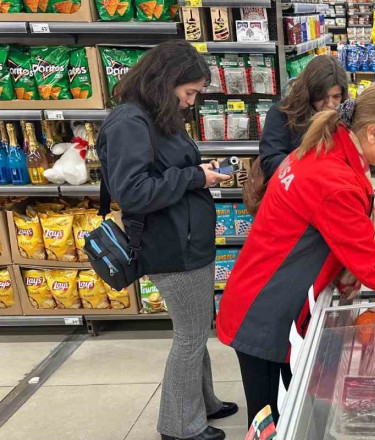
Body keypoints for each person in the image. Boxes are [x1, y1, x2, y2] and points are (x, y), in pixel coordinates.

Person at [216, 82, 375, 425]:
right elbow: (371, 269)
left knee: (285, 411)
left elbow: (356, 241)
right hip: (267, 315)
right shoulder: (332, 180)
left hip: (266, 296)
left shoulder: (326, 152)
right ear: (373, 132)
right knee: (271, 422)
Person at [98, 40, 237, 440]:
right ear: (165, 80)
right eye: (188, 92)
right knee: (190, 336)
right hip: (169, 246)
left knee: (196, 328)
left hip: (186, 239)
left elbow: (165, 169)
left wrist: (200, 168)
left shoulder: (154, 115)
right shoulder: (129, 122)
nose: (191, 102)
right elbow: (134, 191)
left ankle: (203, 402)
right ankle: (179, 426)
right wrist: (197, 177)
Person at [258, 55, 348, 178]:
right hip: (293, 190)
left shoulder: (344, 114)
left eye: (336, 97)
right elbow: (270, 162)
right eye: (322, 97)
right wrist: (313, 168)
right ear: (310, 92)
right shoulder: (283, 113)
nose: (330, 104)